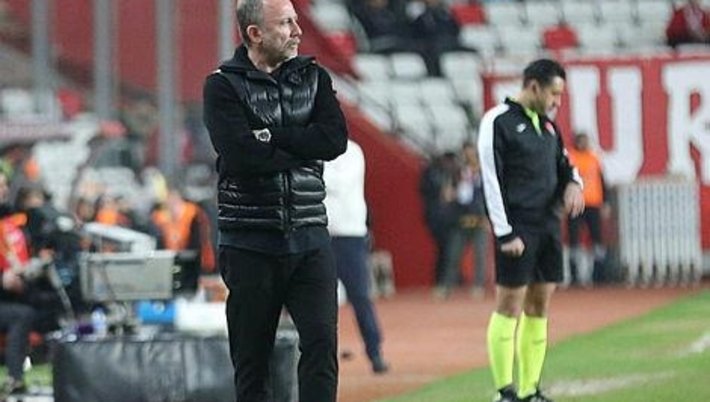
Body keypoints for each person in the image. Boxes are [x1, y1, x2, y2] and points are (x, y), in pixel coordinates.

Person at [202, 0, 348, 400]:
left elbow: (334, 140)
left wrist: (270, 136)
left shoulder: (314, 76)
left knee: (321, 348)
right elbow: (241, 157)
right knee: (253, 363)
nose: (298, 31)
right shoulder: (222, 85)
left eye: (295, 20)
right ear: (255, 34)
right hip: (249, 243)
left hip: (310, 237)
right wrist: (303, 144)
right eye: (286, 23)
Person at [477, 58, 584, 402]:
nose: (557, 102)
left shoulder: (549, 127)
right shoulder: (497, 121)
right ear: (534, 87)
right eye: (554, 94)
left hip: (548, 227)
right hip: (518, 228)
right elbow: (490, 179)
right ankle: (504, 392)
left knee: (539, 306)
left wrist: (574, 185)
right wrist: (504, 232)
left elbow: (567, 166)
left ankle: (530, 389)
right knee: (509, 304)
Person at [323, 139, 389, 374]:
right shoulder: (313, 150)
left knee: (360, 296)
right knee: (314, 300)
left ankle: (375, 352)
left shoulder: (352, 151)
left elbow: (339, 184)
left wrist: (313, 170)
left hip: (349, 235)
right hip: (319, 233)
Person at [435, 141, 489, 300]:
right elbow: (447, 193)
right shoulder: (457, 173)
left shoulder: (484, 173)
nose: (469, 156)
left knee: (480, 255)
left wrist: (489, 216)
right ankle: (446, 286)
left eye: (471, 153)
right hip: (460, 219)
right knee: (453, 255)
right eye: (466, 153)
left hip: (479, 219)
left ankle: (478, 285)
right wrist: (450, 195)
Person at [566, 132, 609, 286]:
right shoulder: (570, 157)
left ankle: (599, 274)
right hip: (575, 203)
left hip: (593, 203)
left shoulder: (594, 158)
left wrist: (605, 202)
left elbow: (602, 180)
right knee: (574, 239)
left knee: (597, 238)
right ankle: (575, 275)